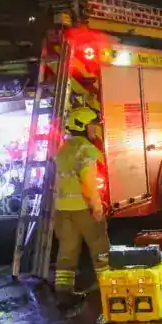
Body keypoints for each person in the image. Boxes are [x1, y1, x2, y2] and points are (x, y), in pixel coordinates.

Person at [52, 107, 110, 306]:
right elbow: (88, 184)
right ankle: (108, 289)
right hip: (83, 209)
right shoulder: (86, 150)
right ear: (83, 127)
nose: (95, 130)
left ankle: (64, 294)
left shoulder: (62, 149)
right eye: (92, 125)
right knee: (100, 248)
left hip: (62, 210)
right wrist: (97, 207)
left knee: (67, 252)